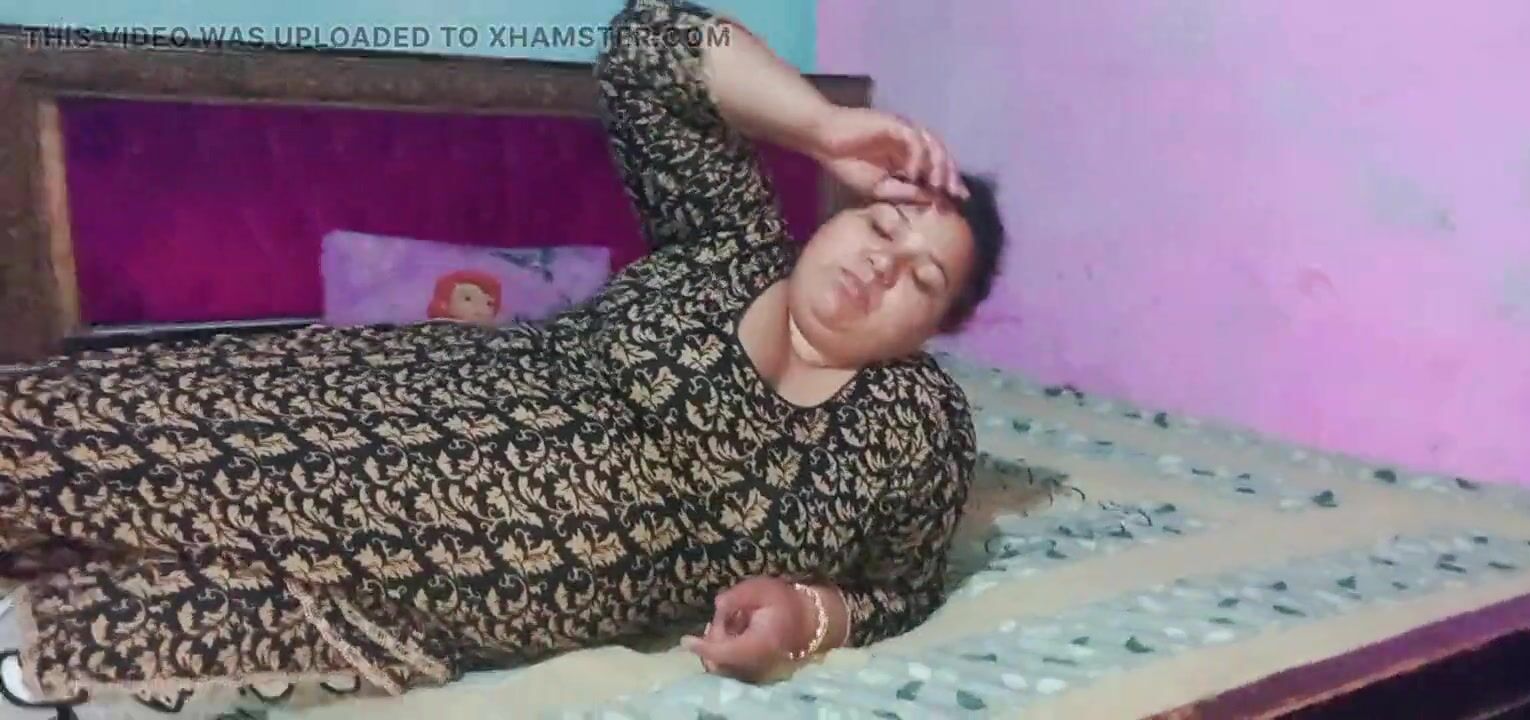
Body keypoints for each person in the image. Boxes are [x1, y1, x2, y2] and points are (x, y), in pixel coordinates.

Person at [0, 0, 1006, 714]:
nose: (881, 267)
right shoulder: (732, 244)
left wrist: (806, 617)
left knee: (130, 602)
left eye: (921, 279)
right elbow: (647, 43)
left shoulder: (912, 424)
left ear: (940, 327)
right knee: (82, 433)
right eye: (881, 226)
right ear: (840, 210)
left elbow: (900, 590)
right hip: (387, 406)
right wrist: (822, 123)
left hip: (444, 584)